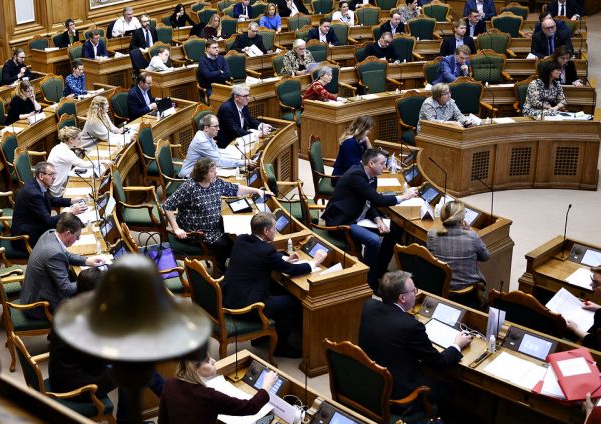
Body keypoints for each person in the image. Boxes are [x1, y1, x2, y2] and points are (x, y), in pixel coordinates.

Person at [47, 267, 160, 424]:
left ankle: (170, 400)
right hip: (75, 384)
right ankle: (129, 421)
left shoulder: (67, 304)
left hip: (61, 370)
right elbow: (96, 363)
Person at [359, 271, 470, 406]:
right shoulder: (410, 326)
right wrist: (457, 345)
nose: (416, 293)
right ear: (402, 298)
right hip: (397, 392)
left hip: (370, 381)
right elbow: (438, 363)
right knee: (447, 388)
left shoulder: (369, 306)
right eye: (413, 290)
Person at [225, 212, 328, 357]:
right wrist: (315, 262)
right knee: (294, 302)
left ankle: (262, 337)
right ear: (266, 231)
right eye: (274, 228)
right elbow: (291, 270)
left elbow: (261, 256)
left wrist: (284, 258)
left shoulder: (242, 240)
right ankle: (281, 347)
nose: (276, 231)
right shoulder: (266, 251)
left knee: (280, 292)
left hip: (231, 298)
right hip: (249, 307)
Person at [323, 148, 418, 283]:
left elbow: (370, 201)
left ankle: (380, 270)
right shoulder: (356, 175)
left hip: (358, 215)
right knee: (373, 240)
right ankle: (370, 282)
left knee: (395, 230)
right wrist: (405, 196)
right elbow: (379, 200)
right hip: (343, 221)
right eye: (382, 163)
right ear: (371, 164)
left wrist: (378, 219)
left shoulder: (372, 177)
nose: (385, 167)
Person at [163, 158, 262, 266]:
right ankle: (220, 268)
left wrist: (256, 190)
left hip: (215, 226)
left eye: (215, 169)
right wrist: (176, 229)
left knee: (239, 238)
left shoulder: (215, 183)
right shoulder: (189, 187)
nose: (216, 172)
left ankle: (226, 263)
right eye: (212, 171)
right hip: (198, 233)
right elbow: (168, 205)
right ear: (202, 174)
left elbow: (234, 189)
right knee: (228, 244)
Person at [20, 213, 104, 307]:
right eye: (77, 236)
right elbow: (67, 289)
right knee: (94, 292)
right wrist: (91, 281)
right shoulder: (54, 254)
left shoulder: (50, 233)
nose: (78, 239)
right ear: (68, 234)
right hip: (40, 305)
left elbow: (64, 254)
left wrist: (86, 260)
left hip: (36, 290)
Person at [11, 161, 88, 248]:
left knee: (71, 230)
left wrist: (71, 201)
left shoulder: (37, 183)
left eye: (54, 174)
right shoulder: (34, 194)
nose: (54, 178)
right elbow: (48, 222)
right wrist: (71, 212)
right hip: (26, 238)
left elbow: (51, 200)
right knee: (69, 236)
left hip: (35, 225)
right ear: (41, 176)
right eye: (51, 175)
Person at [426, 201, 489, 292]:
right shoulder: (472, 237)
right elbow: (486, 257)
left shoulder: (431, 235)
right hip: (467, 290)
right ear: (462, 218)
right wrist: (469, 230)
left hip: (440, 286)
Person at [180, 114, 244, 177]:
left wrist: (238, 156)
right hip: (190, 175)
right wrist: (242, 163)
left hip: (202, 170)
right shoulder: (201, 141)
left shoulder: (207, 135)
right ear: (206, 128)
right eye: (215, 126)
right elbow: (218, 161)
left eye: (218, 126)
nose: (218, 129)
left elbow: (217, 153)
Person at [47, 126, 97, 195]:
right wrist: (101, 162)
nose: (81, 141)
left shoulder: (58, 147)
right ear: (71, 140)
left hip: (57, 185)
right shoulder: (65, 152)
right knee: (89, 191)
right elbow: (83, 164)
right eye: (79, 139)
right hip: (59, 190)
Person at [333, 115, 373, 179]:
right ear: (363, 129)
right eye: (369, 130)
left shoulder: (361, 140)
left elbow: (372, 156)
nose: (370, 132)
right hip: (342, 177)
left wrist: (367, 140)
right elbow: (353, 166)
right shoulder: (350, 143)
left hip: (353, 173)